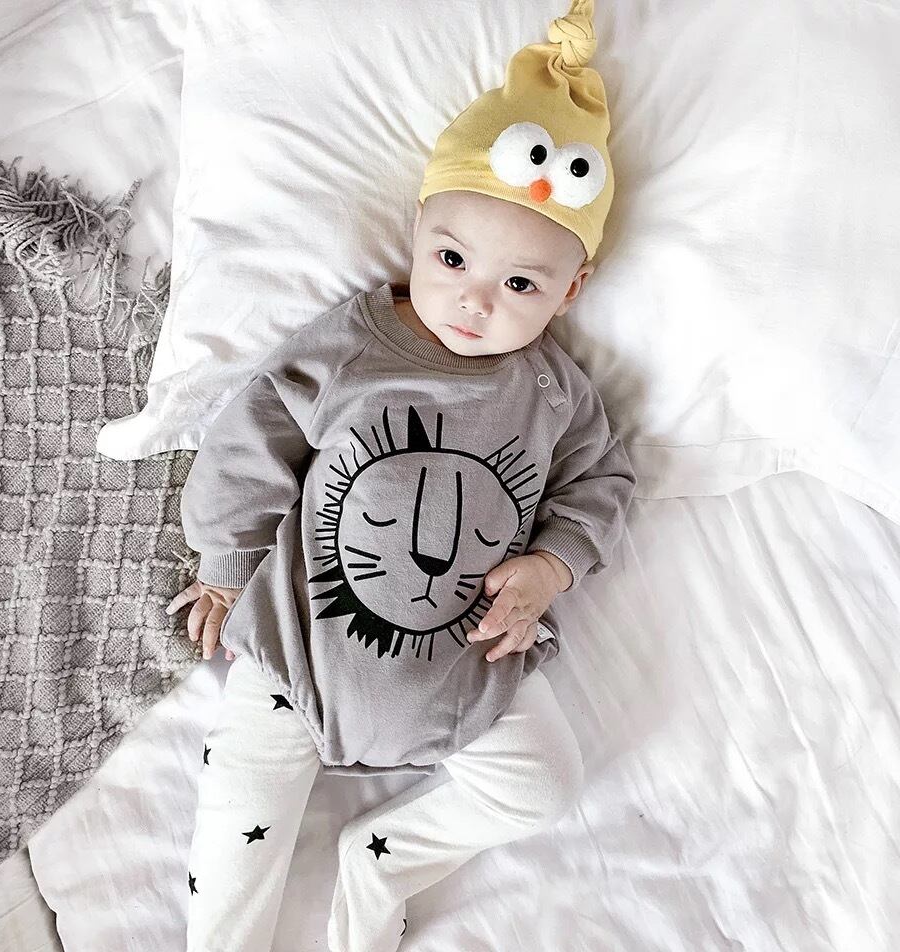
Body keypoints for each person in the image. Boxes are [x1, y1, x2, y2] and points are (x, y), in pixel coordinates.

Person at [167, 2, 636, 948]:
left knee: (545, 786)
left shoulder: (554, 393)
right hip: (296, 653)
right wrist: (225, 562)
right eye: (452, 258)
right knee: (236, 827)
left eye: (520, 284)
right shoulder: (354, 346)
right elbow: (252, 435)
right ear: (419, 228)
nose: (473, 299)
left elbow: (603, 485)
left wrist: (550, 569)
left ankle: (382, 863)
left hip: (471, 665)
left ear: (571, 289)